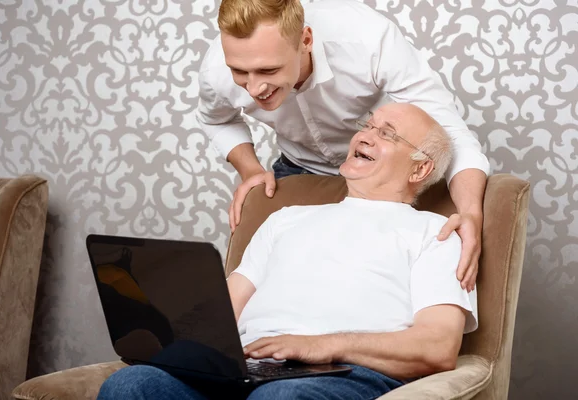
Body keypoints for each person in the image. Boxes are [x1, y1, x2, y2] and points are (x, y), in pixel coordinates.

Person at [97, 103, 478, 400]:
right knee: (131, 386)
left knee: (282, 396)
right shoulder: (286, 218)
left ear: (419, 169)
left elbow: (438, 346)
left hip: (341, 374)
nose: (365, 135)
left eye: (387, 134)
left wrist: (323, 346)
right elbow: (223, 312)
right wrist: (159, 330)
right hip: (247, 367)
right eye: (368, 125)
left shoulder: (436, 232)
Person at [196, 0, 490, 292]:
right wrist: (250, 170)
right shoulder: (216, 70)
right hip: (299, 170)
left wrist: (470, 212)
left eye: (269, 70)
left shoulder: (367, 38)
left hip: (388, 178)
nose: (254, 88)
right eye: (240, 72)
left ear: (305, 40)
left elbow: (449, 130)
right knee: (290, 281)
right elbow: (217, 120)